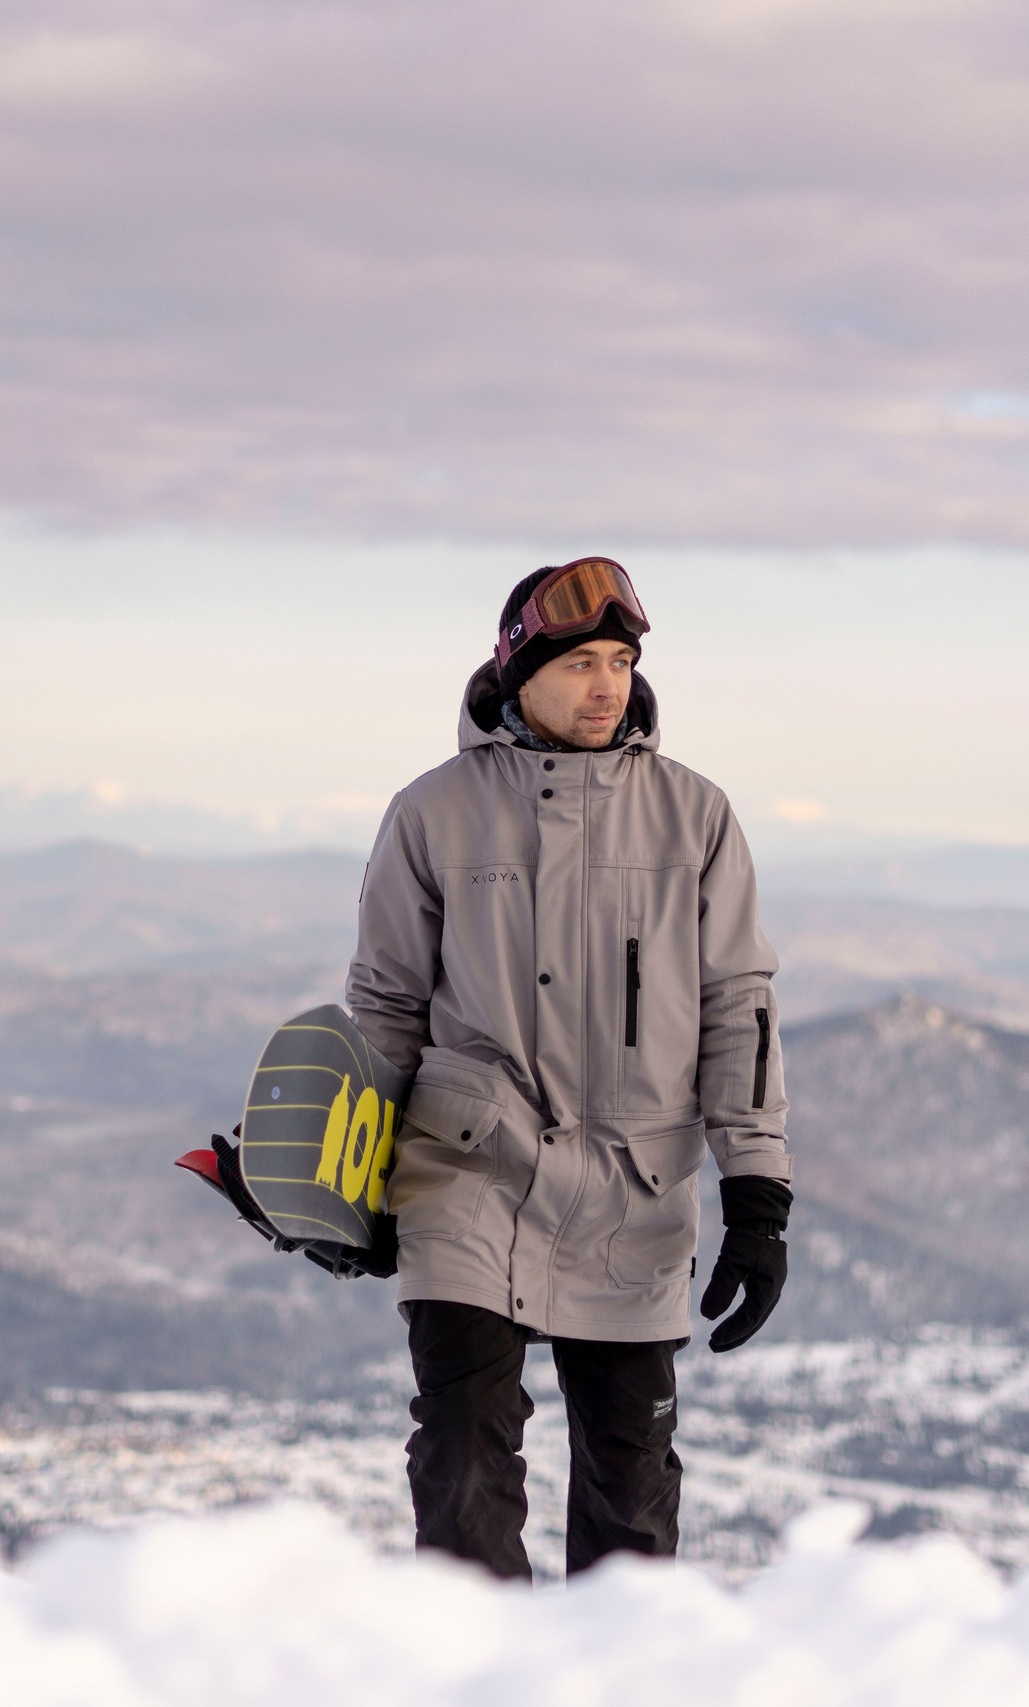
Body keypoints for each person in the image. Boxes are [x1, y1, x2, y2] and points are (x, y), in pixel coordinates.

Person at [346, 556, 792, 1581]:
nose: (607, 685)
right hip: (465, 1169)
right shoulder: (432, 811)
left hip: (634, 1184)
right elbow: (386, 1006)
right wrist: (355, 1171)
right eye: (582, 661)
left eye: (622, 661)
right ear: (517, 675)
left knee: (630, 1486)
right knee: (459, 1457)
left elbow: (739, 1005)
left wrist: (759, 1196)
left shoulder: (695, 815)